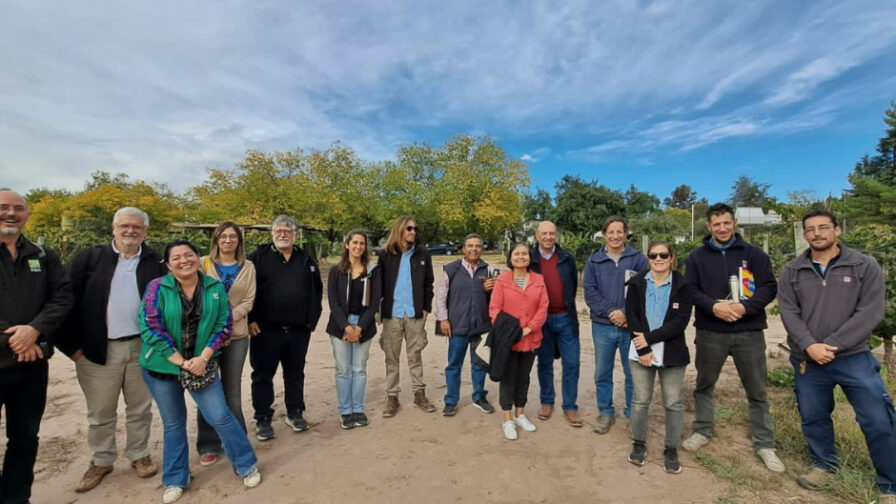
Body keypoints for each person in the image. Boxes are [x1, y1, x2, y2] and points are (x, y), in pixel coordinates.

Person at [778, 210, 895, 502]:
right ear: (804, 234)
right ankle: (823, 465)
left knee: (877, 419)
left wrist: (831, 345)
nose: (817, 233)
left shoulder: (863, 266)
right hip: (808, 360)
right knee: (813, 416)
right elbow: (789, 312)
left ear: (837, 230)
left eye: (823, 227)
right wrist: (809, 345)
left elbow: (870, 312)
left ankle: (890, 484)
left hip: (853, 357)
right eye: (810, 229)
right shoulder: (793, 270)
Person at [140, 240, 261, 504]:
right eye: (176, 257)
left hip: (202, 364)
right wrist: (181, 361)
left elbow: (223, 325)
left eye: (189, 255)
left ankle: (246, 464)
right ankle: (176, 478)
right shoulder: (157, 288)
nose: (184, 260)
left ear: (198, 258)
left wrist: (203, 357)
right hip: (163, 367)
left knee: (220, 416)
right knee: (173, 423)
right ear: (168, 264)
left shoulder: (214, 288)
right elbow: (150, 326)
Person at [59, 207, 166, 492]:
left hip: (142, 347)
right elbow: (63, 300)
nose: (131, 231)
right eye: (125, 226)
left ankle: (139, 454)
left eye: (137, 227)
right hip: (97, 350)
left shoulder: (155, 261)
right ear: (113, 228)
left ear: (145, 231)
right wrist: (72, 348)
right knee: (100, 411)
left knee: (140, 408)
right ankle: (102, 459)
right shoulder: (90, 258)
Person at [682, 203, 784, 472]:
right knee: (704, 385)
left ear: (735, 223)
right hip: (711, 332)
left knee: (757, 390)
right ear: (709, 227)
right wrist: (714, 307)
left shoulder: (754, 254)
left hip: (748, 333)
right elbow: (690, 290)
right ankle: (702, 430)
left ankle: (765, 444)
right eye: (717, 224)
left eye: (726, 223)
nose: (722, 228)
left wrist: (745, 308)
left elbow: (769, 287)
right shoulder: (696, 258)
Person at [0, 189, 73, 504]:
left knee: (25, 437)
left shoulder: (42, 256)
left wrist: (36, 330)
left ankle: (16, 499)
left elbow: (63, 297)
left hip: (31, 365)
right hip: (12, 354)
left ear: (27, 215)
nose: (11, 213)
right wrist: (14, 340)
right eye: (4, 207)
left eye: (18, 208)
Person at [247, 215, 323, 440]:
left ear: (295, 235)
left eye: (288, 231)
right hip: (265, 330)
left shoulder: (305, 259)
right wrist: (250, 319)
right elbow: (247, 290)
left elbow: (316, 290)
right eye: (279, 231)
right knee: (262, 375)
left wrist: (310, 321)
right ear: (272, 233)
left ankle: (295, 412)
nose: (283, 235)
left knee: (295, 373)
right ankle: (263, 418)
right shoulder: (258, 258)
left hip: (298, 330)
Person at [624, 241, 693, 474]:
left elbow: (680, 322)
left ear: (672, 258)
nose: (658, 259)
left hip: (672, 351)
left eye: (663, 255)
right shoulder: (636, 283)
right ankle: (639, 443)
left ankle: (671, 448)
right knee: (640, 401)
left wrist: (649, 339)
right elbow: (632, 316)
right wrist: (643, 350)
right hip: (640, 351)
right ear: (648, 258)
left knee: (673, 402)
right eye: (653, 255)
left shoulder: (683, 286)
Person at [195, 222, 256, 466]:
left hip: (237, 336)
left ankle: (238, 443)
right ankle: (208, 444)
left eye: (233, 236)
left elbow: (249, 300)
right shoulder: (202, 264)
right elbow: (192, 296)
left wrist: (226, 322)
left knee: (232, 392)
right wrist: (215, 325)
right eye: (223, 236)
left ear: (239, 240)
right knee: (206, 389)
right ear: (216, 239)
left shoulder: (247, 267)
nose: (228, 240)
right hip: (206, 338)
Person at [583, 215, 648, 434]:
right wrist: (611, 312)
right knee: (603, 372)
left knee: (633, 373)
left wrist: (627, 313)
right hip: (602, 326)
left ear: (626, 233)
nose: (615, 236)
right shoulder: (594, 261)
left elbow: (644, 289)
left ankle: (632, 413)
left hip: (631, 326)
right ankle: (605, 412)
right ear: (604, 234)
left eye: (619, 231)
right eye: (610, 232)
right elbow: (590, 292)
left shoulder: (638, 259)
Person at [489, 242, 548, 440]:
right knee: (508, 379)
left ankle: (519, 414)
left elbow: (543, 308)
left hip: (531, 338)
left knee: (524, 378)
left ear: (530, 258)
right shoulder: (502, 280)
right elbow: (494, 309)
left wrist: (528, 329)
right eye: (517, 253)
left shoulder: (538, 280)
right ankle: (507, 419)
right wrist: (511, 331)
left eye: (525, 253)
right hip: (508, 340)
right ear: (510, 257)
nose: (521, 256)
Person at [378, 215, 435, 417]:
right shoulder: (385, 255)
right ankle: (392, 397)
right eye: (409, 228)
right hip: (392, 314)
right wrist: (379, 310)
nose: (413, 232)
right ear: (400, 230)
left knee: (415, 356)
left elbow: (428, 283)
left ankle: (419, 394)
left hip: (414, 314)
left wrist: (426, 309)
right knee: (391, 357)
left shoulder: (423, 254)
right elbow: (378, 284)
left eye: (415, 229)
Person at [434, 233, 496, 417]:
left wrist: (492, 290)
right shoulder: (451, 269)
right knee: (454, 365)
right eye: (470, 245)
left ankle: (479, 396)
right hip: (457, 326)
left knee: (480, 364)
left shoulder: (490, 270)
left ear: (482, 249)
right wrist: (443, 319)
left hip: (481, 326)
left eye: (477, 246)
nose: (474, 249)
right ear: (463, 249)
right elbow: (440, 296)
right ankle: (451, 400)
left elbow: (498, 299)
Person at [325, 230, 382, 429]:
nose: (358, 246)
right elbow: (333, 302)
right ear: (347, 245)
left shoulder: (373, 271)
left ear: (365, 247)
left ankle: (358, 409)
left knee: (359, 369)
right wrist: (347, 327)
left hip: (364, 325)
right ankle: (345, 411)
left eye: (362, 243)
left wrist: (360, 328)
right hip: (340, 324)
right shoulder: (336, 271)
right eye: (355, 242)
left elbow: (375, 302)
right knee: (343, 370)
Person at [529, 221, 582, 427]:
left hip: (566, 318)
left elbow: (572, 285)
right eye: (544, 233)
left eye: (552, 233)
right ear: (537, 235)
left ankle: (570, 406)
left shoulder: (566, 258)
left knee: (572, 363)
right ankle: (547, 402)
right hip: (541, 320)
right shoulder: (530, 259)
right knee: (544, 363)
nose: (548, 237)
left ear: (556, 235)